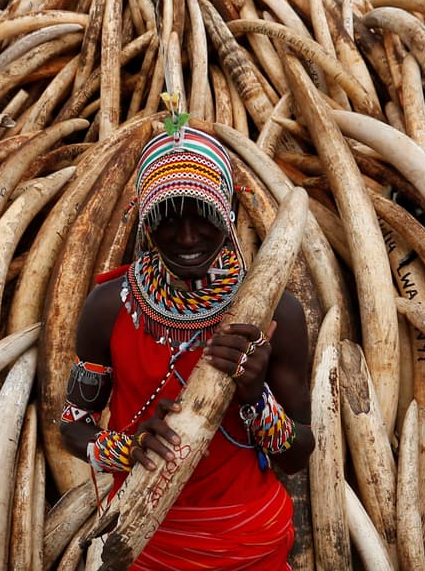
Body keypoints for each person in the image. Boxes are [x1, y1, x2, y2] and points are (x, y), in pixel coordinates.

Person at [59, 117, 314, 570]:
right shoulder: (108, 307)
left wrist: (256, 397)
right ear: (144, 217)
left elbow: (297, 454)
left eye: (204, 215)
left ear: (229, 209)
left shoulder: (278, 315)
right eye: (167, 217)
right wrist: (126, 448)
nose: (189, 236)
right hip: (141, 541)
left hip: (249, 541)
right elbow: (73, 427)